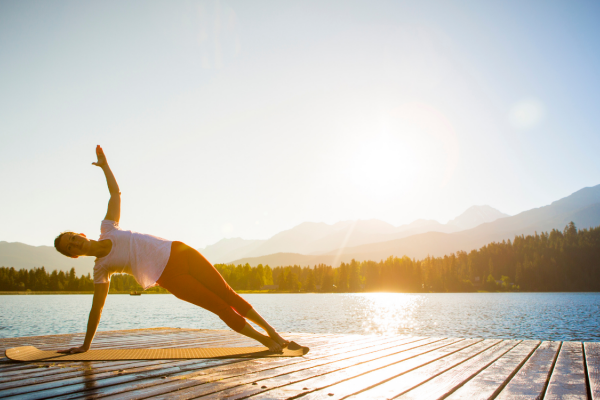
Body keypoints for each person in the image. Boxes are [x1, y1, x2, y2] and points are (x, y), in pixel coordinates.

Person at [55, 145, 289, 354]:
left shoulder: (107, 228)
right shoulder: (101, 269)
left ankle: (275, 334)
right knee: (220, 306)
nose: (75, 242)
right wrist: (86, 346)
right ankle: (265, 342)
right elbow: (97, 308)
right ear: (74, 255)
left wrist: (106, 167)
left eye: (73, 237)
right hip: (170, 277)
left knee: (228, 294)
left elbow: (115, 194)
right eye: (70, 246)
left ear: (81, 234)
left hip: (180, 251)